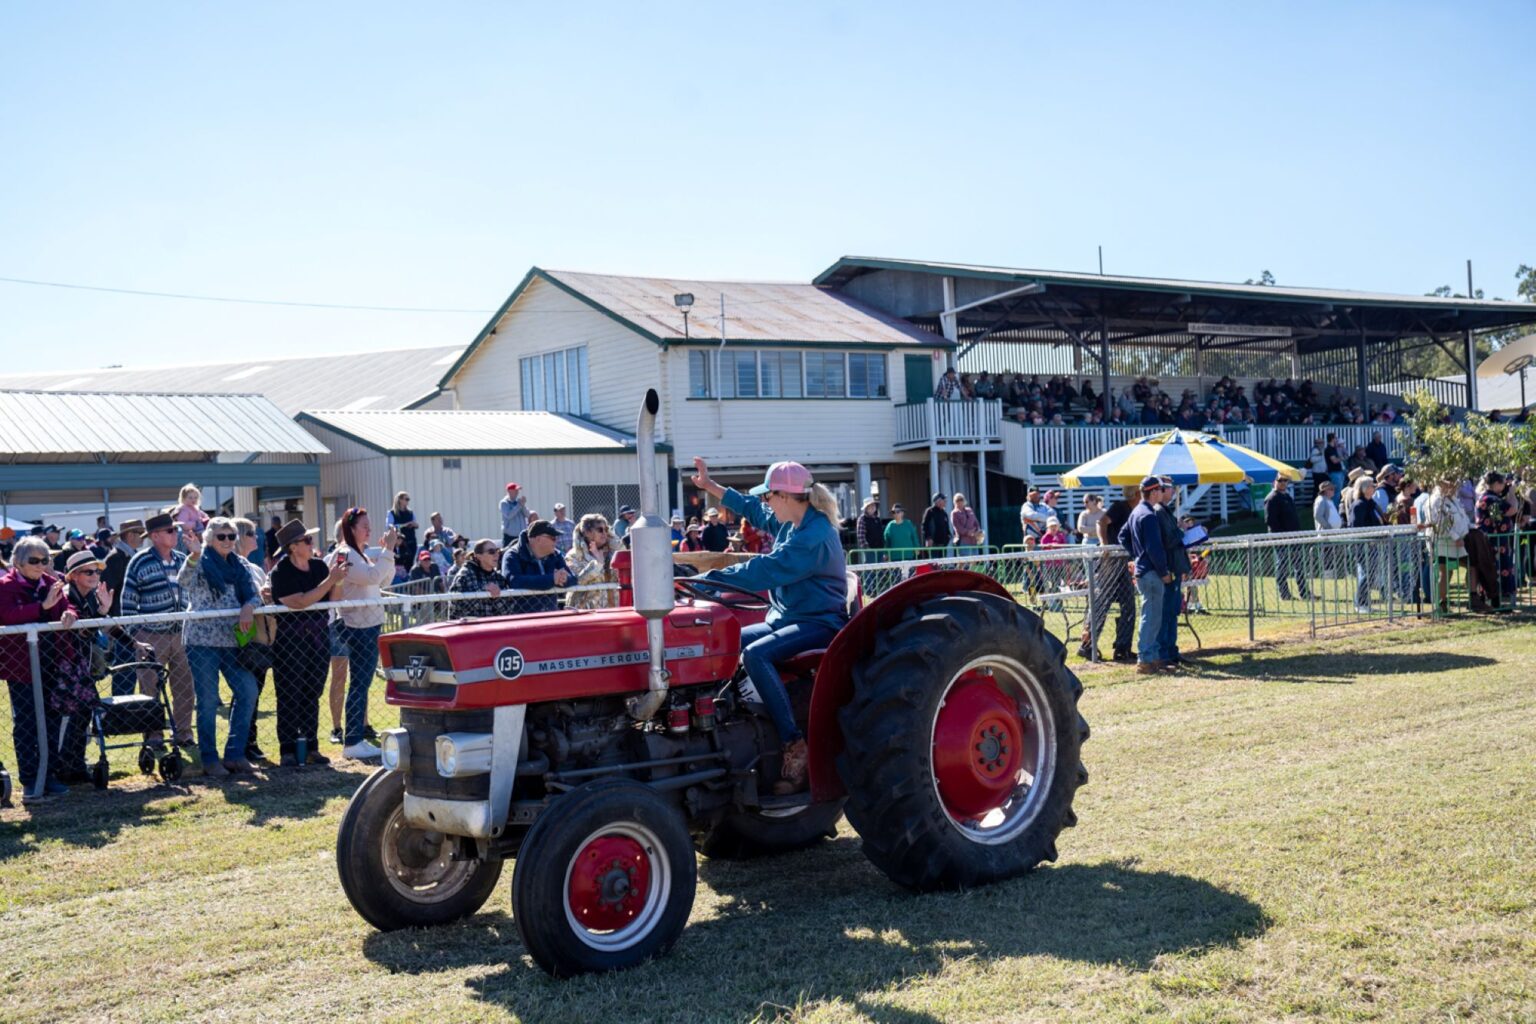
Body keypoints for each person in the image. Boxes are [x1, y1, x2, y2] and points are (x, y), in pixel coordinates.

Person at [690, 458, 848, 795]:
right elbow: (752, 509)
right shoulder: (791, 523)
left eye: (768, 497)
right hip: (785, 618)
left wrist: (706, 581)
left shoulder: (814, 536)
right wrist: (711, 487)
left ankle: (794, 743)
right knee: (724, 643)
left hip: (818, 622)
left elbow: (767, 569)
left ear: (786, 496)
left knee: (756, 655)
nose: (765, 504)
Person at [177, 516, 262, 776]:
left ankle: (235, 754)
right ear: (210, 539)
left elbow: (255, 593)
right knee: (209, 700)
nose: (227, 541)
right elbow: (183, 581)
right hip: (202, 641)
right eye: (221, 536)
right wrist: (193, 556)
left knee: (248, 691)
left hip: (232, 641)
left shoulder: (240, 565)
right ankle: (210, 758)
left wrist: (249, 606)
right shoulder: (200, 561)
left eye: (231, 536)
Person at [0, 536, 75, 799]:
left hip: (52, 662)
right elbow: (7, 615)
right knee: (27, 722)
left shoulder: (50, 583)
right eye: (34, 560)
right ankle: (31, 779)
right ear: (18, 562)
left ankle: (50, 774)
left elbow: (68, 607)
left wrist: (68, 614)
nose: (40, 565)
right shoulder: (5, 586)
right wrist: (41, 607)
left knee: (53, 720)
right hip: (21, 667)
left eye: (45, 560)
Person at [268, 520, 345, 766]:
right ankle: (288, 750)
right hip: (291, 639)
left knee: (313, 691)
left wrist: (339, 579)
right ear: (293, 547)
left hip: (319, 638)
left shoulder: (320, 567)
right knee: (290, 692)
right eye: (307, 540)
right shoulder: (281, 572)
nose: (312, 544)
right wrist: (330, 580)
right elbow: (300, 601)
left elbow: (332, 598)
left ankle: (311, 746)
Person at [121, 512, 197, 748]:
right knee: (149, 688)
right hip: (150, 635)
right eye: (170, 531)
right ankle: (154, 736)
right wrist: (135, 636)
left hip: (181, 634)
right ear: (155, 536)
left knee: (185, 687)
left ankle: (183, 733)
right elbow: (128, 601)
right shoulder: (139, 561)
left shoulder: (182, 559)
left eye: (175, 530)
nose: (176, 534)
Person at [334, 507, 399, 759]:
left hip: (369, 624)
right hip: (357, 626)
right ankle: (352, 740)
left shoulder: (359, 553)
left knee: (363, 682)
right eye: (364, 526)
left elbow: (384, 580)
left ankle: (355, 737)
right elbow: (372, 577)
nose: (369, 530)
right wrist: (388, 551)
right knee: (359, 683)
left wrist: (387, 555)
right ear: (350, 529)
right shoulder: (345, 553)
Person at [1118, 477, 1170, 674]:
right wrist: (1164, 572)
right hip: (1151, 572)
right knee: (1151, 616)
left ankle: (1152, 657)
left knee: (1152, 615)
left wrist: (1136, 555)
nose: (1163, 493)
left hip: (1142, 570)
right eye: (1161, 490)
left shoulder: (1136, 512)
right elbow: (1154, 548)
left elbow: (1123, 536)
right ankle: (1145, 659)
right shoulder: (1149, 515)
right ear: (1154, 492)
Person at [232, 517, 274, 764]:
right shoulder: (236, 567)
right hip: (243, 637)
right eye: (250, 533)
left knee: (256, 691)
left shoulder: (255, 568)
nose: (256, 537)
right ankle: (242, 743)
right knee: (246, 692)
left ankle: (252, 741)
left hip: (260, 638)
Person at [1082, 486, 1137, 663]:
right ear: (1136, 494)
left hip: (1123, 559)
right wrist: (1104, 544)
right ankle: (1087, 645)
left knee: (1129, 604)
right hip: (1112, 559)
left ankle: (1122, 647)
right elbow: (1102, 522)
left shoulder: (1135, 511)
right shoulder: (1121, 506)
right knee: (1102, 601)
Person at [102, 518, 146, 697]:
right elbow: (107, 590)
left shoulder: (128, 556)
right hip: (120, 624)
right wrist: (114, 623)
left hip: (129, 621)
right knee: (125, 670)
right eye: (139, 533)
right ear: (129, 535)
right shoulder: (115, 559)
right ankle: (121, 711)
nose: (143, 538)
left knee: (132, 669)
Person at [1152, 479, 1191, 669]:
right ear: (1161, 490)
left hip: (1175, 567)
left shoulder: (1165, 511)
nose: (1174, 492)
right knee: (1167, 612)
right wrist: (1182, 531)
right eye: (1170, 489)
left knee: (1173, 610)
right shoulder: (1159, 511)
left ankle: (1172, 652)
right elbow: (1169, 539)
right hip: (1169, 568)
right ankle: (1164, 654)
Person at [500, 521, 573, 613]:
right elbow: (515, 581)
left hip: (551, 615)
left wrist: (564, 579)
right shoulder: (513, 555)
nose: (556, 540)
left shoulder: (555, 554)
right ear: (538, 539)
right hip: (523, 618)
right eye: (552, 538)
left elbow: (573, 578)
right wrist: (551, 579)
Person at [1263, 476, 1310, 600]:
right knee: (1282, 566)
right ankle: (1284, 594)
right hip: (1281, 538)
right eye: (1280, 480)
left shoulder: (1287, 496)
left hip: (1294, 537)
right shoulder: (1271, 498)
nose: (1283, 483)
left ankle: (1304, 592)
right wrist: (1281, 535)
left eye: (1285, 480)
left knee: (1299, 566)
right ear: (1274, 482)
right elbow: (1270, 520)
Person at [1475, 472, 1517, 604]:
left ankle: (1495, 599)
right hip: (1494, 542)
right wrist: (1512, 493)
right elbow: (1512, 510)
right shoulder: (1490, 499)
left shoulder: (1488, 498)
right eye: (1503, 483)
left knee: (1492, 570)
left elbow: (1497, 516)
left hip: (1494, 541)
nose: (1505, 485)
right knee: (1495, 570)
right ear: (1496, 484)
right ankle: (1496, 600)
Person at [450, 539, 516, 617]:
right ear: (479, 556)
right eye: (491, 552)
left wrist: (496, 598)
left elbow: (508, 610)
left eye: (497, 551)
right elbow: (457, 607)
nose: (496, 555)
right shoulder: (464, 576)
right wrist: (483, 591)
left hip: (494, 626)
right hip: (469, 627)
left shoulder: (499, 578)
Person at [567, 514, 621, 610]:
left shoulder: (612, 553)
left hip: (612, 611)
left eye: (606, 529)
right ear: (587, 532)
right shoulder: (573, 556)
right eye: (600, 530)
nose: (604, 533)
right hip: (585, 613)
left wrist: (615, 543)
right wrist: (598, 564)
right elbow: (577, 581)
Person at [1349, 477, 1383, 611]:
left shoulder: (1370, 504)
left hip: (1372, 545)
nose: (1374, 487)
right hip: (1363, 546)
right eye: (1371, 485)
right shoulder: (1359, 505)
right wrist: (1368, 541)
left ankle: (1364, 602)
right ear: (1363, 488)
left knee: (1370, 574)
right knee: (1365, 574)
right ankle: (1360, 603)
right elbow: (1356, 526)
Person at [386, 491, 419, 569]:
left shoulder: (410, 512)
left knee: (410, 564)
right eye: (406, 499)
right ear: (400, 500)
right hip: (399, 543)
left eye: (408, 499)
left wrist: (414, 524)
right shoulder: (391, 513)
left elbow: (416, 524)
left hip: (411, 542)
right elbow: (389, 526)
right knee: (399, 564)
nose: (408, 501)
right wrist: (404, 525)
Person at [173, 483, 209, 552]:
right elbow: (183, 524)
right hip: (187, 535)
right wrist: (195, 523)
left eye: (195, 498)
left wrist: (205, 518)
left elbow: (203, 514)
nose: (193, 500)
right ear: (183, 498)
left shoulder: (194, 508)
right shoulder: (184, 510)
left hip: (195, 533)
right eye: (190, 498)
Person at [500, 482, 529, 546]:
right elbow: (509, 515)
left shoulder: (519, 501)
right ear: (509, 491)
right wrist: (519, 505)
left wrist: (523, 505)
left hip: (522, 536)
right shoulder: (504, 503)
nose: (517, 492)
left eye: (517, 490)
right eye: (515, 490)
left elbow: (527, 515)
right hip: (510, 537)